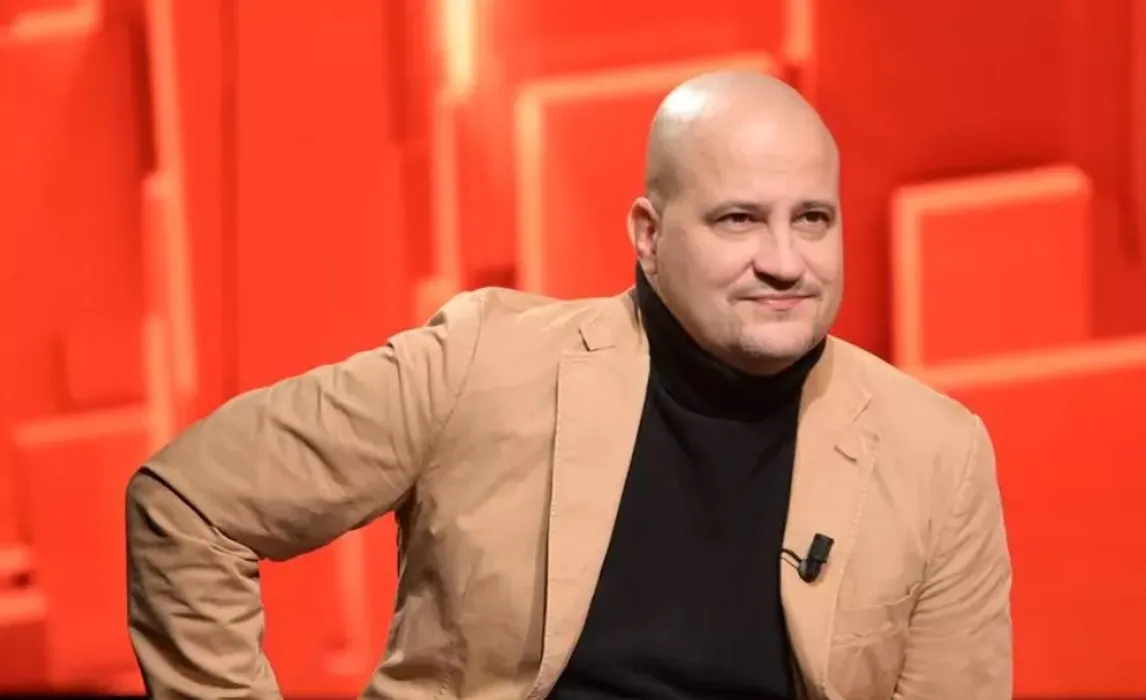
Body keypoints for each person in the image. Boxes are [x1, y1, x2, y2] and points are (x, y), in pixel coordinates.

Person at [125, 72, 1012, 700]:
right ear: (649, 234)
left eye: (812, 219)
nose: (785, 261)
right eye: (739, 219)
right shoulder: (485, 363)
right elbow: (190, 503)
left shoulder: (936, 454)